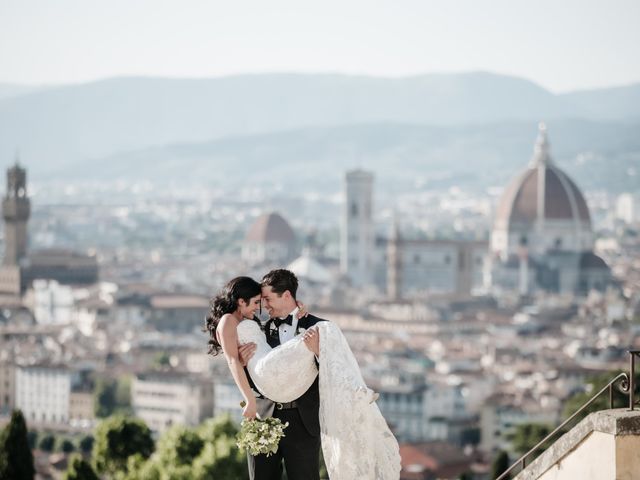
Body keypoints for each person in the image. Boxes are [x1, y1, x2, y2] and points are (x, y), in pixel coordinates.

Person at [205, 270, 400, 480]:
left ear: (287, 296)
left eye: (268, 299)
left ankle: (355, 391)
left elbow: (329, 368)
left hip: (302, 420)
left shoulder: (313, 326)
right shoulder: (260, 328)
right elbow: (251, 365)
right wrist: (244, 363)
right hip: (264, 414)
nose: (264, 306)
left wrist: (318, 352)